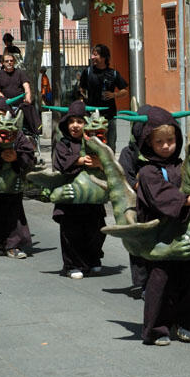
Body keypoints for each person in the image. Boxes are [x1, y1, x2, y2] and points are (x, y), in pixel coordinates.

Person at [136, 107, 190, 345]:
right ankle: (157, 329)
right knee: (160, 283)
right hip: (161, 237)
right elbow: (160, 196)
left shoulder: (184, 166)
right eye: (159, 141)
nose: (165, 146)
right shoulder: (148, 171)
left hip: (187, 235)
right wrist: (186, 200)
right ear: (148, 142)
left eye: (170, 140)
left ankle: (186, 322)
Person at [52, 101, 107, 279]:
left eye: (80, 121)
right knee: (71, 233)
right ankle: (72, 265)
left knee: (95, 231)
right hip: (71, 200)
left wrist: (101, 163)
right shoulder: (63, 144)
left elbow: (110, 163)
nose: (75, 126)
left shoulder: (96, 143)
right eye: (72, 121)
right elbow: (60, 163)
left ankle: (92, 260)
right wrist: (80, 160)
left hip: (93, 198)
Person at [0, 97, 35, 259]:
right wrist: (0, 156)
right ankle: (2, 242)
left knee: (13, 214)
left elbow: (29, 154)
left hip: (13, 183)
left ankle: (13, 245)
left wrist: (16, 157)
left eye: (1, 113)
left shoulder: (18, 135)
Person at [118, 104, 153, 298]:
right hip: (138, 206)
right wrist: (143, 186)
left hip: (160, 207)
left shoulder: (162, 151)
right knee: (139, 246)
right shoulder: (128, 153)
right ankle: (143, 284)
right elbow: (126, 178)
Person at [79, 44, 128, 152]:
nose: (92, 57)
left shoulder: (113, 74)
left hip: (109, 116)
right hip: (91, 115)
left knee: (110, 145)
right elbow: (81, 89)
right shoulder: (87, 72)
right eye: (92, 54)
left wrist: (114, 95)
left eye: (95, 55)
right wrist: (84, 99)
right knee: (92, 145)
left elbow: (124, 91)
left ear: (104, 57)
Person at [0, 52, 41, 135]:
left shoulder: (20, 73)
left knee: (29, 107)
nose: (9, 63)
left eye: (11, 61)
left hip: (20, 103)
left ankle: (36, 129)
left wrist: (28, 96)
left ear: (14, 62)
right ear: (3, 63)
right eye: (7, 61)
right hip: (5, 103)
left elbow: (26, 86)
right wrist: (6, 100)